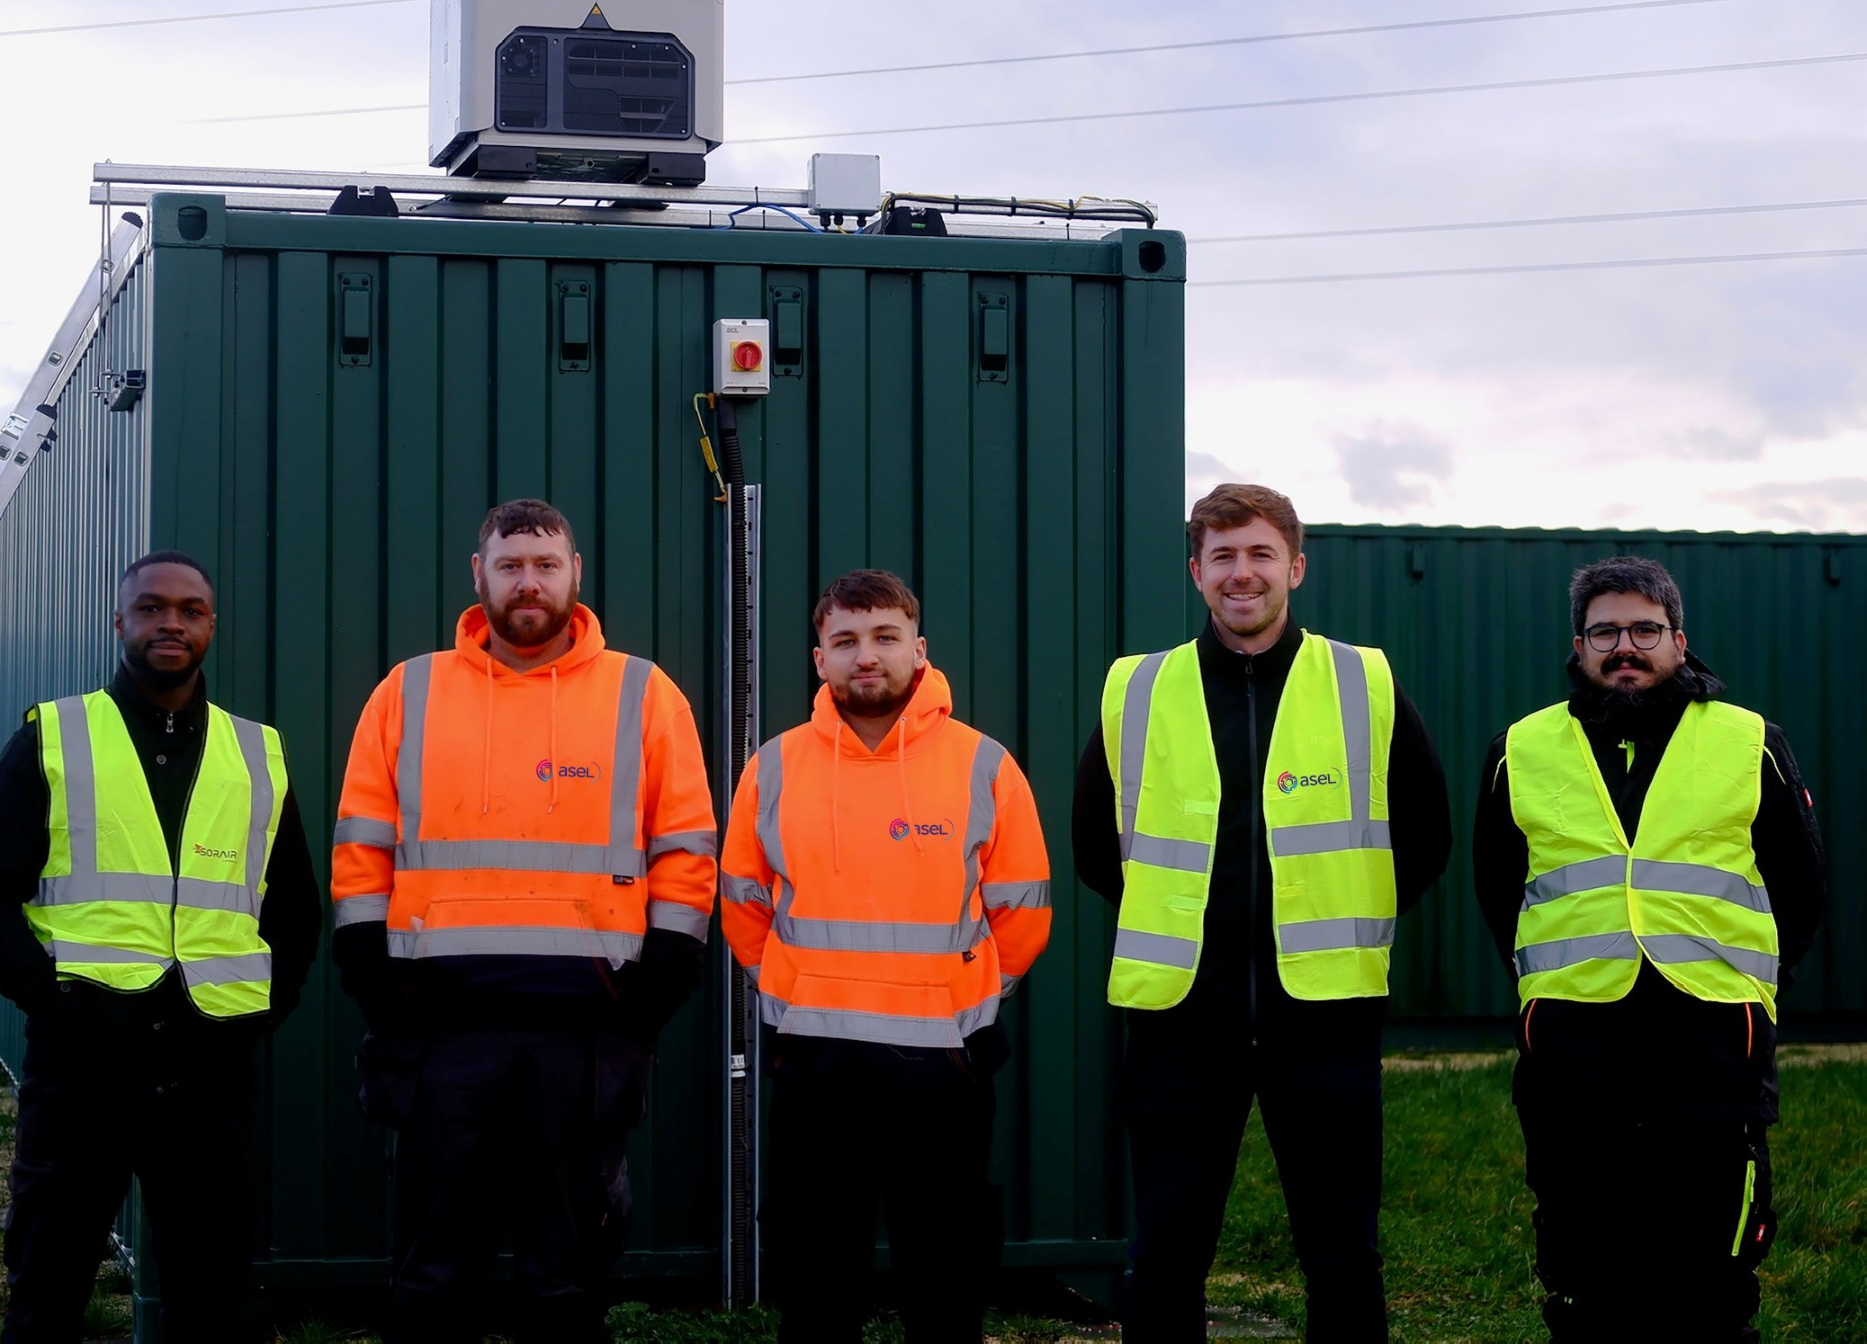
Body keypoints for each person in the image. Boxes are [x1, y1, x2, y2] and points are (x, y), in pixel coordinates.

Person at [331, 497, 717, 1344]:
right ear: (479, 577)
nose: (528, 581)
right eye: (510, 564)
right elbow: (362, 848)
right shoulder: (409, 690)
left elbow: (687, 852)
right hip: (439, 1033)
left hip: (583, 1034)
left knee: (566, 1283)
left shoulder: (644, 694)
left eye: (546, 563)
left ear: (577, 573)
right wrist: (376, 980)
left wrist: (655, 990)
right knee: (432, 1278)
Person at [1072, 484, 1451, 1342]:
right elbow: (1098, 847)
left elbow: (1426, 833)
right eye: (1223, 555)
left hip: (1324, 1016)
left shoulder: (1367, 680)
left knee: (1343, 1254)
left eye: (1260, 553)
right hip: (1179, 1017)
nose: (1242, 572)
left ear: (1297, 567)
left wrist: (1345, 918)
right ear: (1196, 572)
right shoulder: (1137, 689)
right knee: (1165, 1253)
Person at [0, 550, 322, 1343]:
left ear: (211, 626)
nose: (171, 623)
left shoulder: (256, 753)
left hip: (210, 1071)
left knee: (211, 1300)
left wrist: (258, 1009)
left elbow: (295, 912)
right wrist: (53, 1000)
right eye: (151, 608)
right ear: (120, 621)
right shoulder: (56, 735)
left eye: (189, 610)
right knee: (47, 1291)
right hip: (85, 1065)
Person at [1473, 555, 1824, 1344]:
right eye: (1605, 630)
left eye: (1644, 629)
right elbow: (1499, 889)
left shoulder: (1749, 740)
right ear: (1579, 643)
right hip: (1572, 1049)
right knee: (1586, 1276)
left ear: (1678, 639)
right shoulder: (1520, 749)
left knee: (1710, 1280)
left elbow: (1800, 888)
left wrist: (1748, 987)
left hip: (1710, 1046)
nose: (1624, 646)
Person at [719, 569, 1052, 1343]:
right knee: (817, 1285)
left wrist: (961, 997)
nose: (865, 656)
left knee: (943, 1285)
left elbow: (1023, 911)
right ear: (819, 658)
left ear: (919, 647)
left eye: (884, 637)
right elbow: (741, 903)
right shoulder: (772, 766)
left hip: (945, 1067)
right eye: (845, 640)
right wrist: (794, 990)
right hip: (814, 1064)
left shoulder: (983, 765)